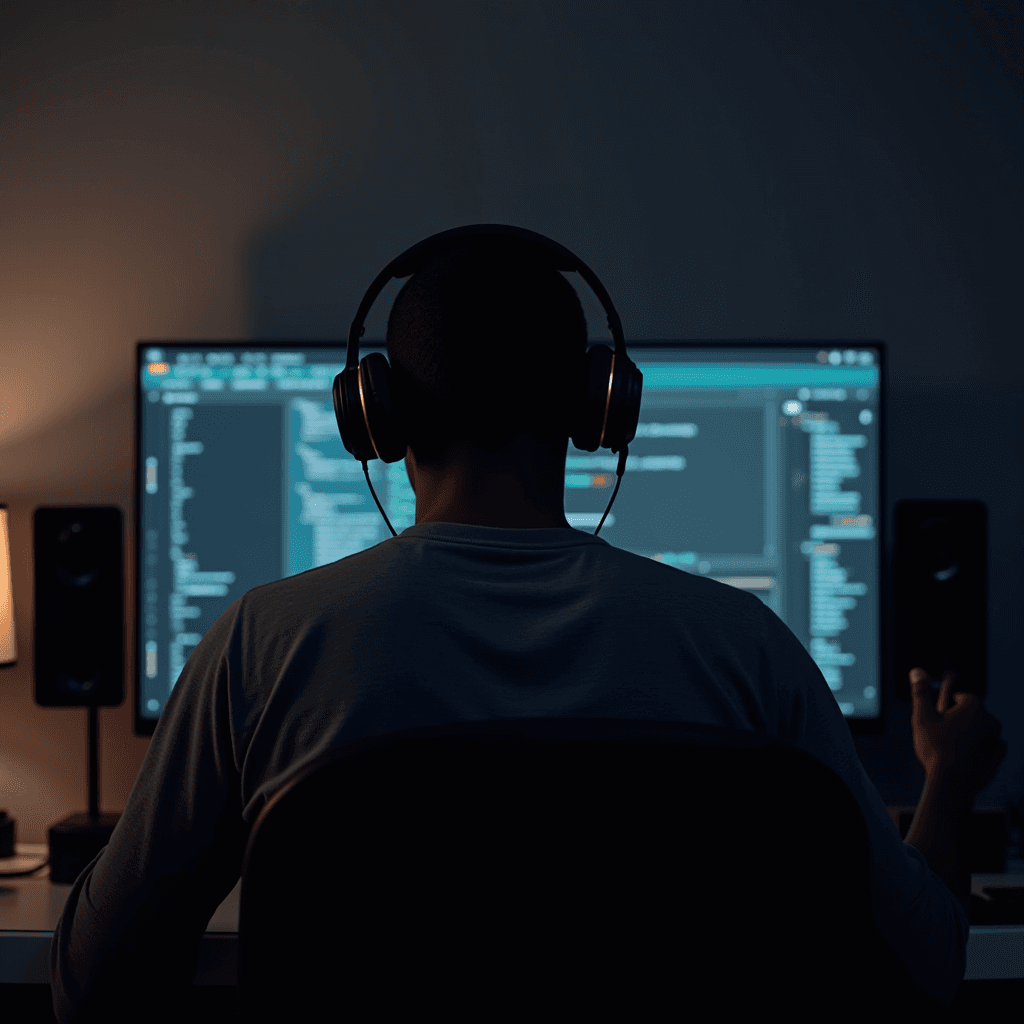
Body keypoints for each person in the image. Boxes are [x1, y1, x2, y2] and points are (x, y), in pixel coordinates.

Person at [50, 239, 1006, 1020]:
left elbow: (93, 987)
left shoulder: (262, 643)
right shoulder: (745, 646)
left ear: (376, 415)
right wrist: (950, 779)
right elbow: (925, 968)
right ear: (597, 408)